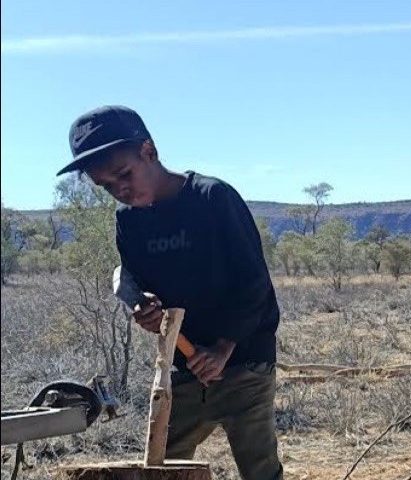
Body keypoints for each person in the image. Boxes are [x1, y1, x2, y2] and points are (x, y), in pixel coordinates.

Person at [57, 105, 283, 480]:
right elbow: (142, 285)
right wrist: (145, 309)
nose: (120, 190)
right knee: (160, 465)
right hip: (183, 370)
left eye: (123, 174)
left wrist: (224, 348)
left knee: (259, 470)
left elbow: (254, 284)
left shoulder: (212, 198)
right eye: (107, 186)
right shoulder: (128, 221)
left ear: (149, 151)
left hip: (245, 363)